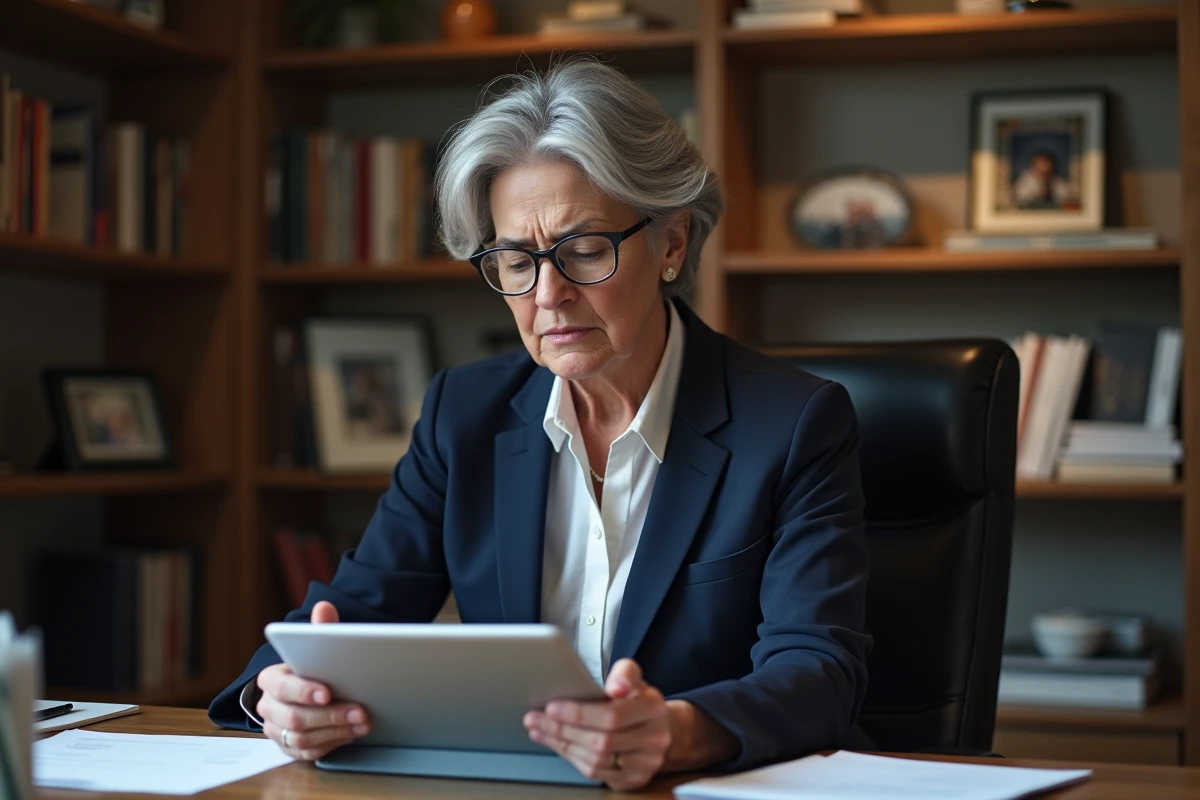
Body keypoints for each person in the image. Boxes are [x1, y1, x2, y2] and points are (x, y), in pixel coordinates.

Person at [209, 58, 872, 791]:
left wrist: (678, 733)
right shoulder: (464, 414)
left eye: (584, 250)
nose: (548, 295)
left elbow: (817, 671)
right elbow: (348, 614)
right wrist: (278, 694)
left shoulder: (793, 422)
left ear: (672, 243)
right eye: (515, 261)